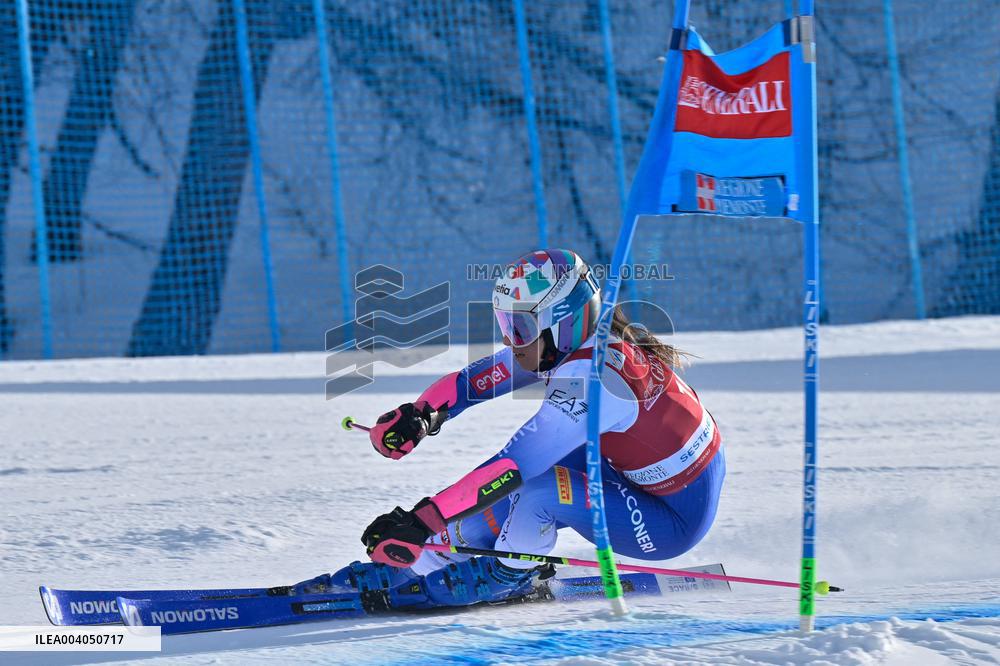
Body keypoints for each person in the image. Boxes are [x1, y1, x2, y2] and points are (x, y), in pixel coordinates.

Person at [326, 249, 725, 609]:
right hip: (648, 481)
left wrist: (420, 521)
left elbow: (514, 466)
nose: (508, 340)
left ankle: (509, 574)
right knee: (533, 464)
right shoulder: (574, 340)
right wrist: (420, 415)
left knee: (533, 484)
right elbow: (473, 383)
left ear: (563, 323)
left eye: (518, 328)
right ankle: (430, 558)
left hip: (669, 521)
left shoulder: (591, 377)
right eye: (504, 323)